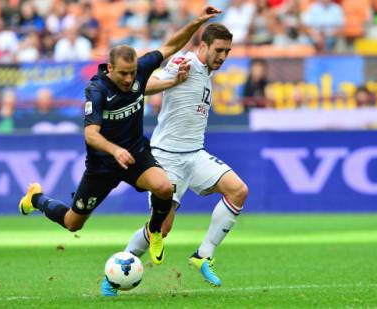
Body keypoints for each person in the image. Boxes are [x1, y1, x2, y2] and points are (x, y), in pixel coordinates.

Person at [17, 6, 222, 296]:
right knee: (73, 223)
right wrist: (114, 151)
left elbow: (171, 45)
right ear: (109, 69)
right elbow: (91, 134)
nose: (129, 79)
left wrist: (197, 23)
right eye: (123, 74)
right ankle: (35, 198)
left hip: (137, 153)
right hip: (103, 164)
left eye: (132, 73)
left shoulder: (140, 70)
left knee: (164, 187)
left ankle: (154, 231)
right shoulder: (96, 90)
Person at [122, 23, 249, 292]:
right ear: (203, 46)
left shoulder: (207, 71)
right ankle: (121, 266)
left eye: (227, 51)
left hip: (195, 154)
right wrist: (172, 79)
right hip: (168, 158)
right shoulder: (185, 61)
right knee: (162, 228)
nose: (223, 57)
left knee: (238, 191)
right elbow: (142, 86)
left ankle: (203, 255)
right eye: (219, 50)